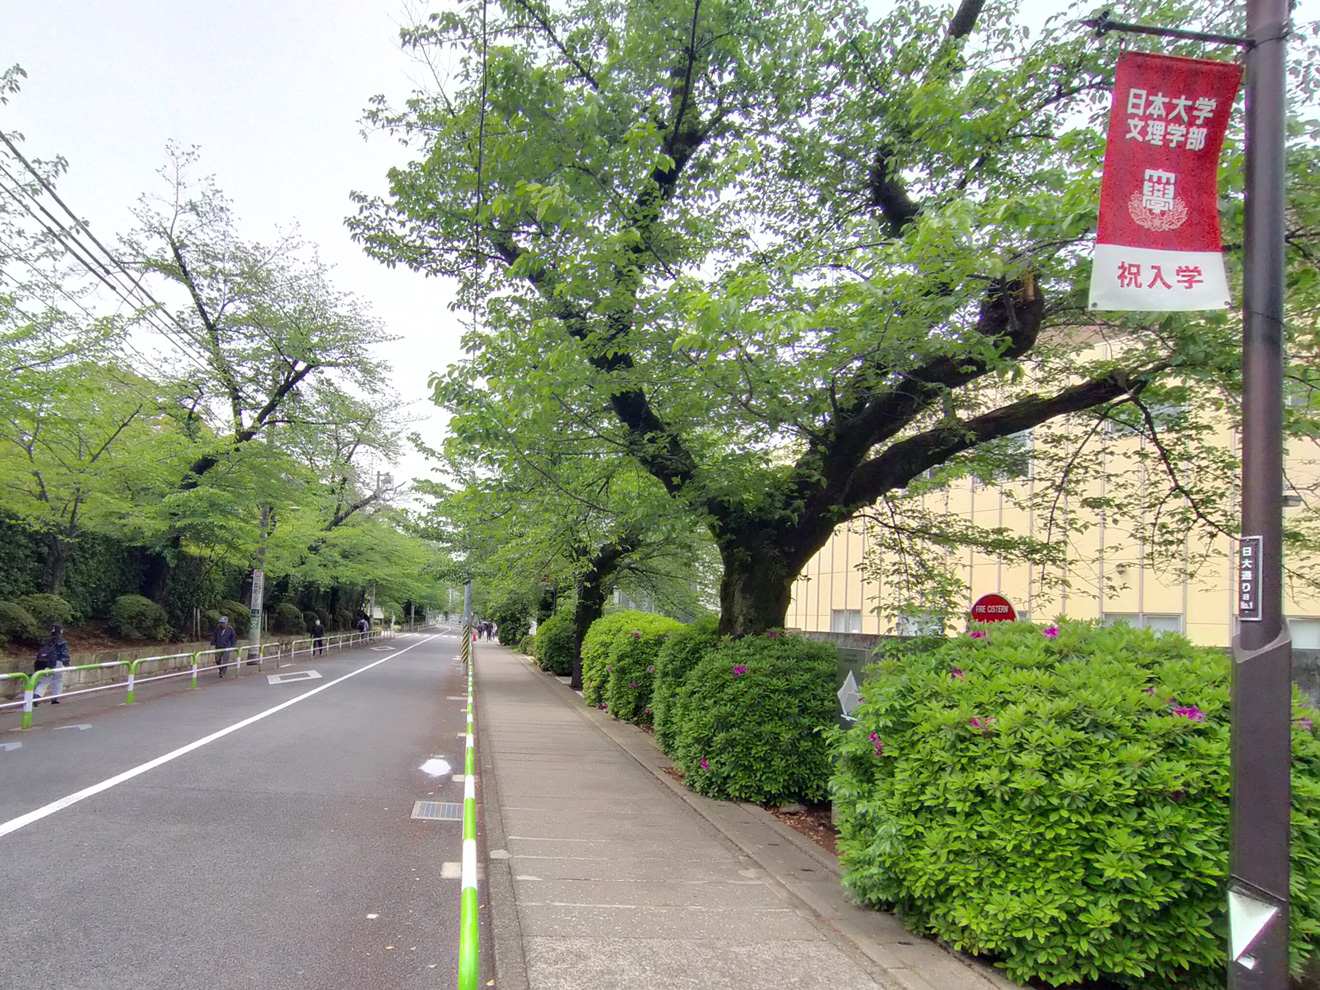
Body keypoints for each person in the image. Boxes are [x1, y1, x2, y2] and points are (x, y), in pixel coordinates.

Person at [33, 624, 71, 705]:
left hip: (43, 662)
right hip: (57, 662)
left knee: (44, 680)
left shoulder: (45, 640)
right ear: (60, 631)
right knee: (57, 679)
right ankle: (55, 697)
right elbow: (64, 654)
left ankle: (37, 695)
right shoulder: (62, 641)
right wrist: (66, 664)